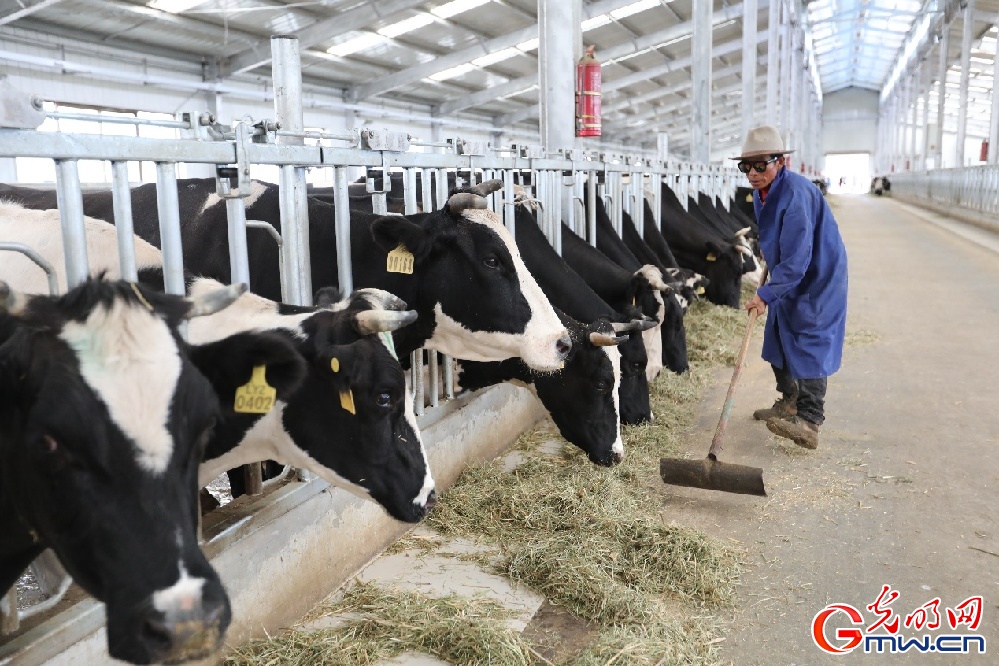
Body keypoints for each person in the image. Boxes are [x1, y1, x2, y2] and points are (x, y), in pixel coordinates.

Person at [732, 125, 848, 450]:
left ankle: (810, 420)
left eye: (760, 165)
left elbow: (799, 260)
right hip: (790, 269)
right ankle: (789, 401)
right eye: (746, 166)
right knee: (778, 333)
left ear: (780, 161)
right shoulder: (762, 192)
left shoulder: (796, 195)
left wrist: (765, 294)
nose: (752, 173)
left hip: (817, 275)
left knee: (809, 337)